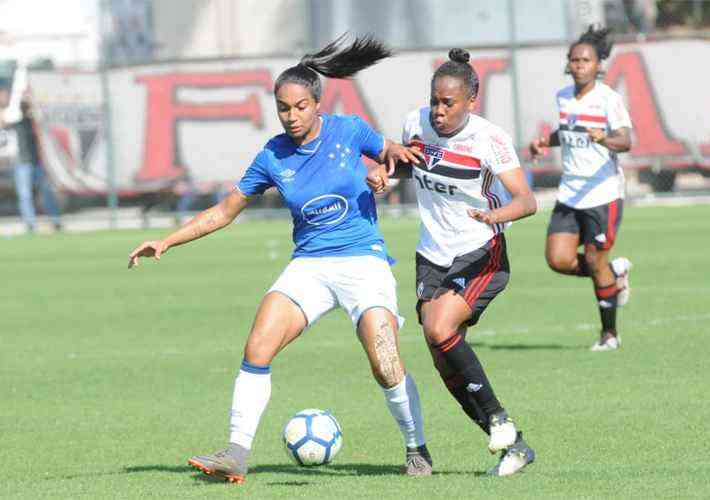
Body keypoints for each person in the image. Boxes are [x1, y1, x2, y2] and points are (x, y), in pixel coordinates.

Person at [127, 35, 432, 484]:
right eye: (283, 108)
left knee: (384, 361)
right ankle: (235, 452)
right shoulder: (272, 155)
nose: (291, 116)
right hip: (309, 265)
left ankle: (416, 449)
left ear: (316, 104)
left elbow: (390, 155)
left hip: (362, 262)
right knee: (257, 346)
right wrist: (168, 240)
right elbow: (224, 210)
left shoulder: (349, 130)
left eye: (300, 107)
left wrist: (387, 168)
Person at [368, 48, 537, 476]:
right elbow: (413, 164)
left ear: (470, 102)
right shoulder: (415, 123)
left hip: (481, 249)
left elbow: (527, 200)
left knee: (439, 328)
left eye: (449, 103)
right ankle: (514, 445)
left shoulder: (490, 139)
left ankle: (498, 417)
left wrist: (493, 216)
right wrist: (387, 176)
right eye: (435, 101)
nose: (438, 111)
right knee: (442, 354)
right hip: (432, 254)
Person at [529, 25, 633, 352]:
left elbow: (626, 141)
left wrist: (605, 138)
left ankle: (610, 335)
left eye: (585, 60)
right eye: (574, 60)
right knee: (558, 259)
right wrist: (547, 141)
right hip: (570, 192)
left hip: (602, 193)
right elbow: (568, 131)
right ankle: (613, 273)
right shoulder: (562, 97)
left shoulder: (608, 100)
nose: (579, 65)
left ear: (598, 64)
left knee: (592, 257)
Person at [0, 72, 62, 233]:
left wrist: (25, 104)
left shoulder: (24, 112)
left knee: (46, 191)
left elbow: (31, 109)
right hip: (21, 161)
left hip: (35, 159)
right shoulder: (9, 115)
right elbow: (4, 121)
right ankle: (30, 224)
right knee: (25, 194)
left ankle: (56, 220)